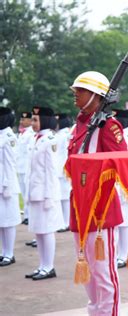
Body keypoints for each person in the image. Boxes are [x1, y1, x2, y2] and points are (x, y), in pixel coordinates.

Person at [69, 71, 127, 315]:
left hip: (100, 209)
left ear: (95, 95)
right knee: (89, 277)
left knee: (104, 275)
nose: (75, 95)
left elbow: (121, 161)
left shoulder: (108, 126)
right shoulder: (79, 126)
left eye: (80, 91)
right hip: (79, 208)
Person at [24, 106, 62, 280]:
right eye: (32, 119)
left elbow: (51, 171)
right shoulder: (36, 139)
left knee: (46, 231)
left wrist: (49, 197)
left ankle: (49, 267)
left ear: (45, 120)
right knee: (38, 231)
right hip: (35, 191)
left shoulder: (50, 140)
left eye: (35, 120)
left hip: (46, 193)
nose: (32, 123)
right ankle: (42, 265)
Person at [0, 107, 21, 267]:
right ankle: (3, 252)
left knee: (8, 220)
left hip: (7, 184)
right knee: (2, 220)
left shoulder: (8, 136)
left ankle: (10, 254)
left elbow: (10, 162)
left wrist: (6, 185)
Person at [111, 109, 128, 269]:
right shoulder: (117, 135)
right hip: (115, 181)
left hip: (125, 181)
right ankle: (118, 252)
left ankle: (123, 254)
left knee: (125, 220)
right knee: (118, 221)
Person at [17, 111, 35, 227]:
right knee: (24, 193)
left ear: (29, 120)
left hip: (27, 167)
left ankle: (29, 216)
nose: (21, 121)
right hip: (20, 166)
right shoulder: (21, 133)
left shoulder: (31, 133)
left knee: (28, 193)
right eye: (21, 119)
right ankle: (27, 215)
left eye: (24, 120)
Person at [55, 113, 73, 233]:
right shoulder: (60, 134)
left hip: (63, 168)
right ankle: (63, 221)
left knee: (65, 197)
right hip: (59, 168)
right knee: (61, 197)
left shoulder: (66, 134)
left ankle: (67, 222)